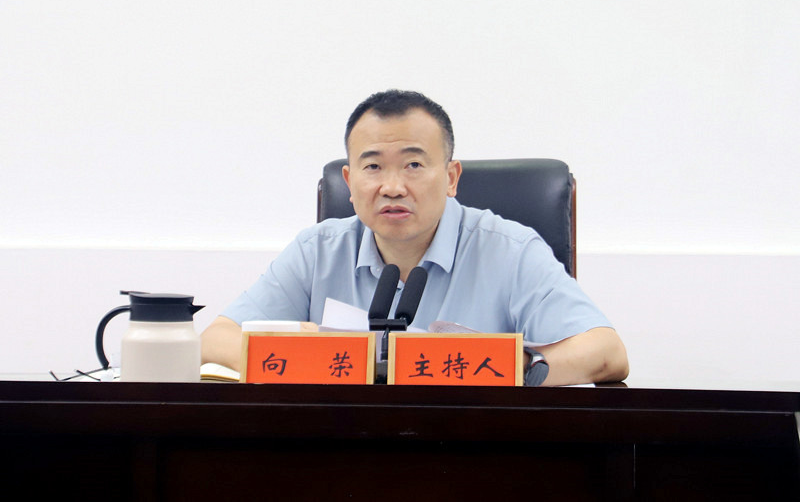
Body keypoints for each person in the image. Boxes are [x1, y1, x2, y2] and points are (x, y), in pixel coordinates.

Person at [201, 89, 629, 385]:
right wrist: (317, 356)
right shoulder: (317, 250)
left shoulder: (510, 250)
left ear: (451, 177)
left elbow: (606, 352)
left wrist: (504, 367)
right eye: (373, 167)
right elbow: (215, 340)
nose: (392, 187)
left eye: (414, 165)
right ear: (348, 182)